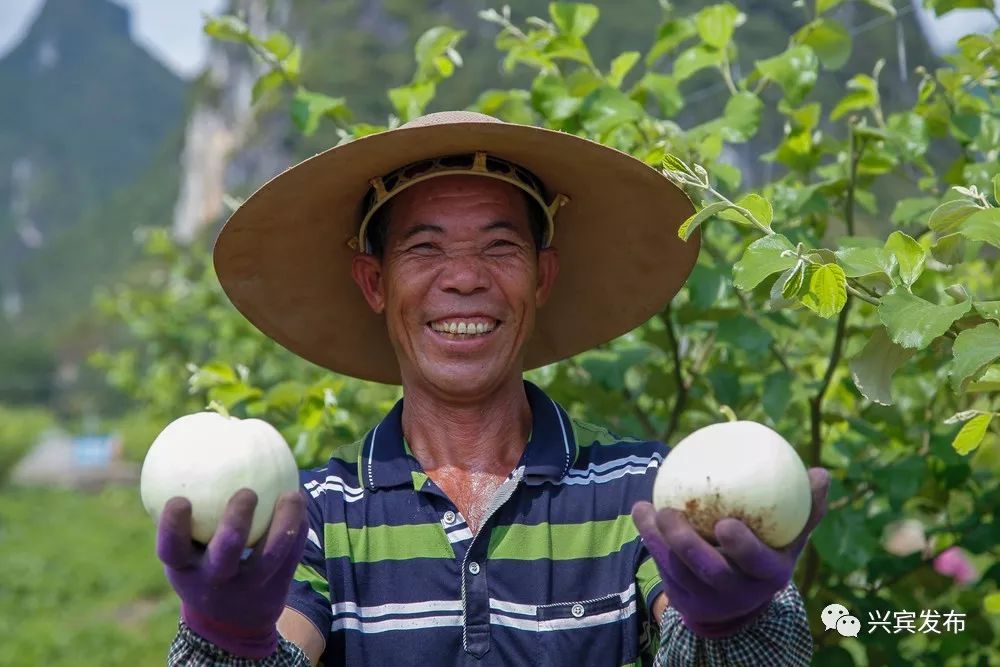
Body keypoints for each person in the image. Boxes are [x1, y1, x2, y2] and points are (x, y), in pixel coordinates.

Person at [160, 111, 829, 666]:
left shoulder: (642, 490)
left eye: (499, 247)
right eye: (425, 250)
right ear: (374, 282)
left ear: (542, 277)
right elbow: (277, 647)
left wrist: (736, 626)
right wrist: (228, 641)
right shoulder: (317, 516)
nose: (464, 279)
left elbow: (745, 649)